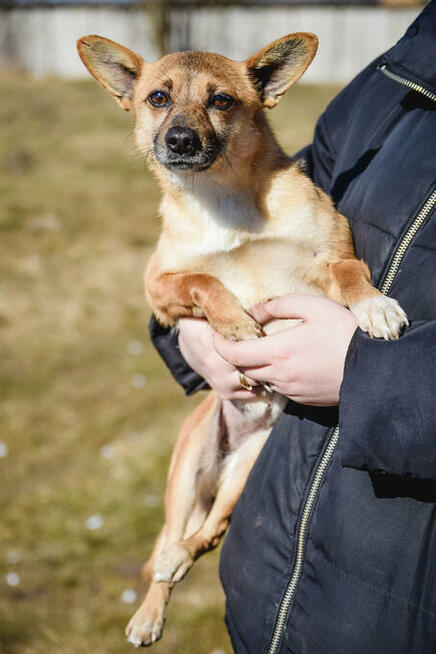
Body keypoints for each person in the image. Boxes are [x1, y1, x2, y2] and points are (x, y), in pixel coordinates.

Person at [150, 3, 436, 651]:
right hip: (276, 566)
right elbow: (253, 198)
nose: (184, 126)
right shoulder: (402, 71)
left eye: (220, 103)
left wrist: (366, 373)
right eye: (160, 100)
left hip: (402, 584)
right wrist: (190, 329)